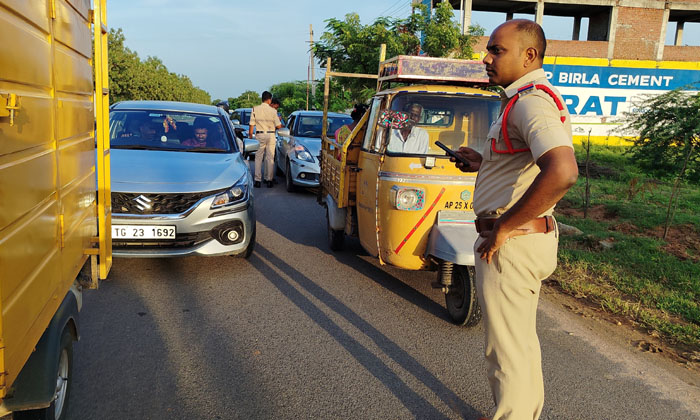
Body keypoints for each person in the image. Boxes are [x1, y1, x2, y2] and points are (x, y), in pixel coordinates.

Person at [451, 20, 578, 420]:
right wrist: (482, 162)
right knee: (518, 344)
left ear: (529, 55)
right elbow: (522, 166)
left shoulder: (529, 102)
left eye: (496, 50)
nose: (486, 59)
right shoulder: (519, 99)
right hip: (524, 238)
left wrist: (504, 227)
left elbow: (562, 171)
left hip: (513, 240)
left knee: (505, 348)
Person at [249, 91, 283, 188]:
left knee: (258, 157)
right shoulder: (273, 111)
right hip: (271, 135)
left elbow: (251, 124)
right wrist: (279, 121)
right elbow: (279, 126)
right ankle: (269, 180)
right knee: (270, 157)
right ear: (269, 100)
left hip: (259, 135)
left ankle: (257, 180)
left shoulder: (255, 109)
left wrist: (250, 136)